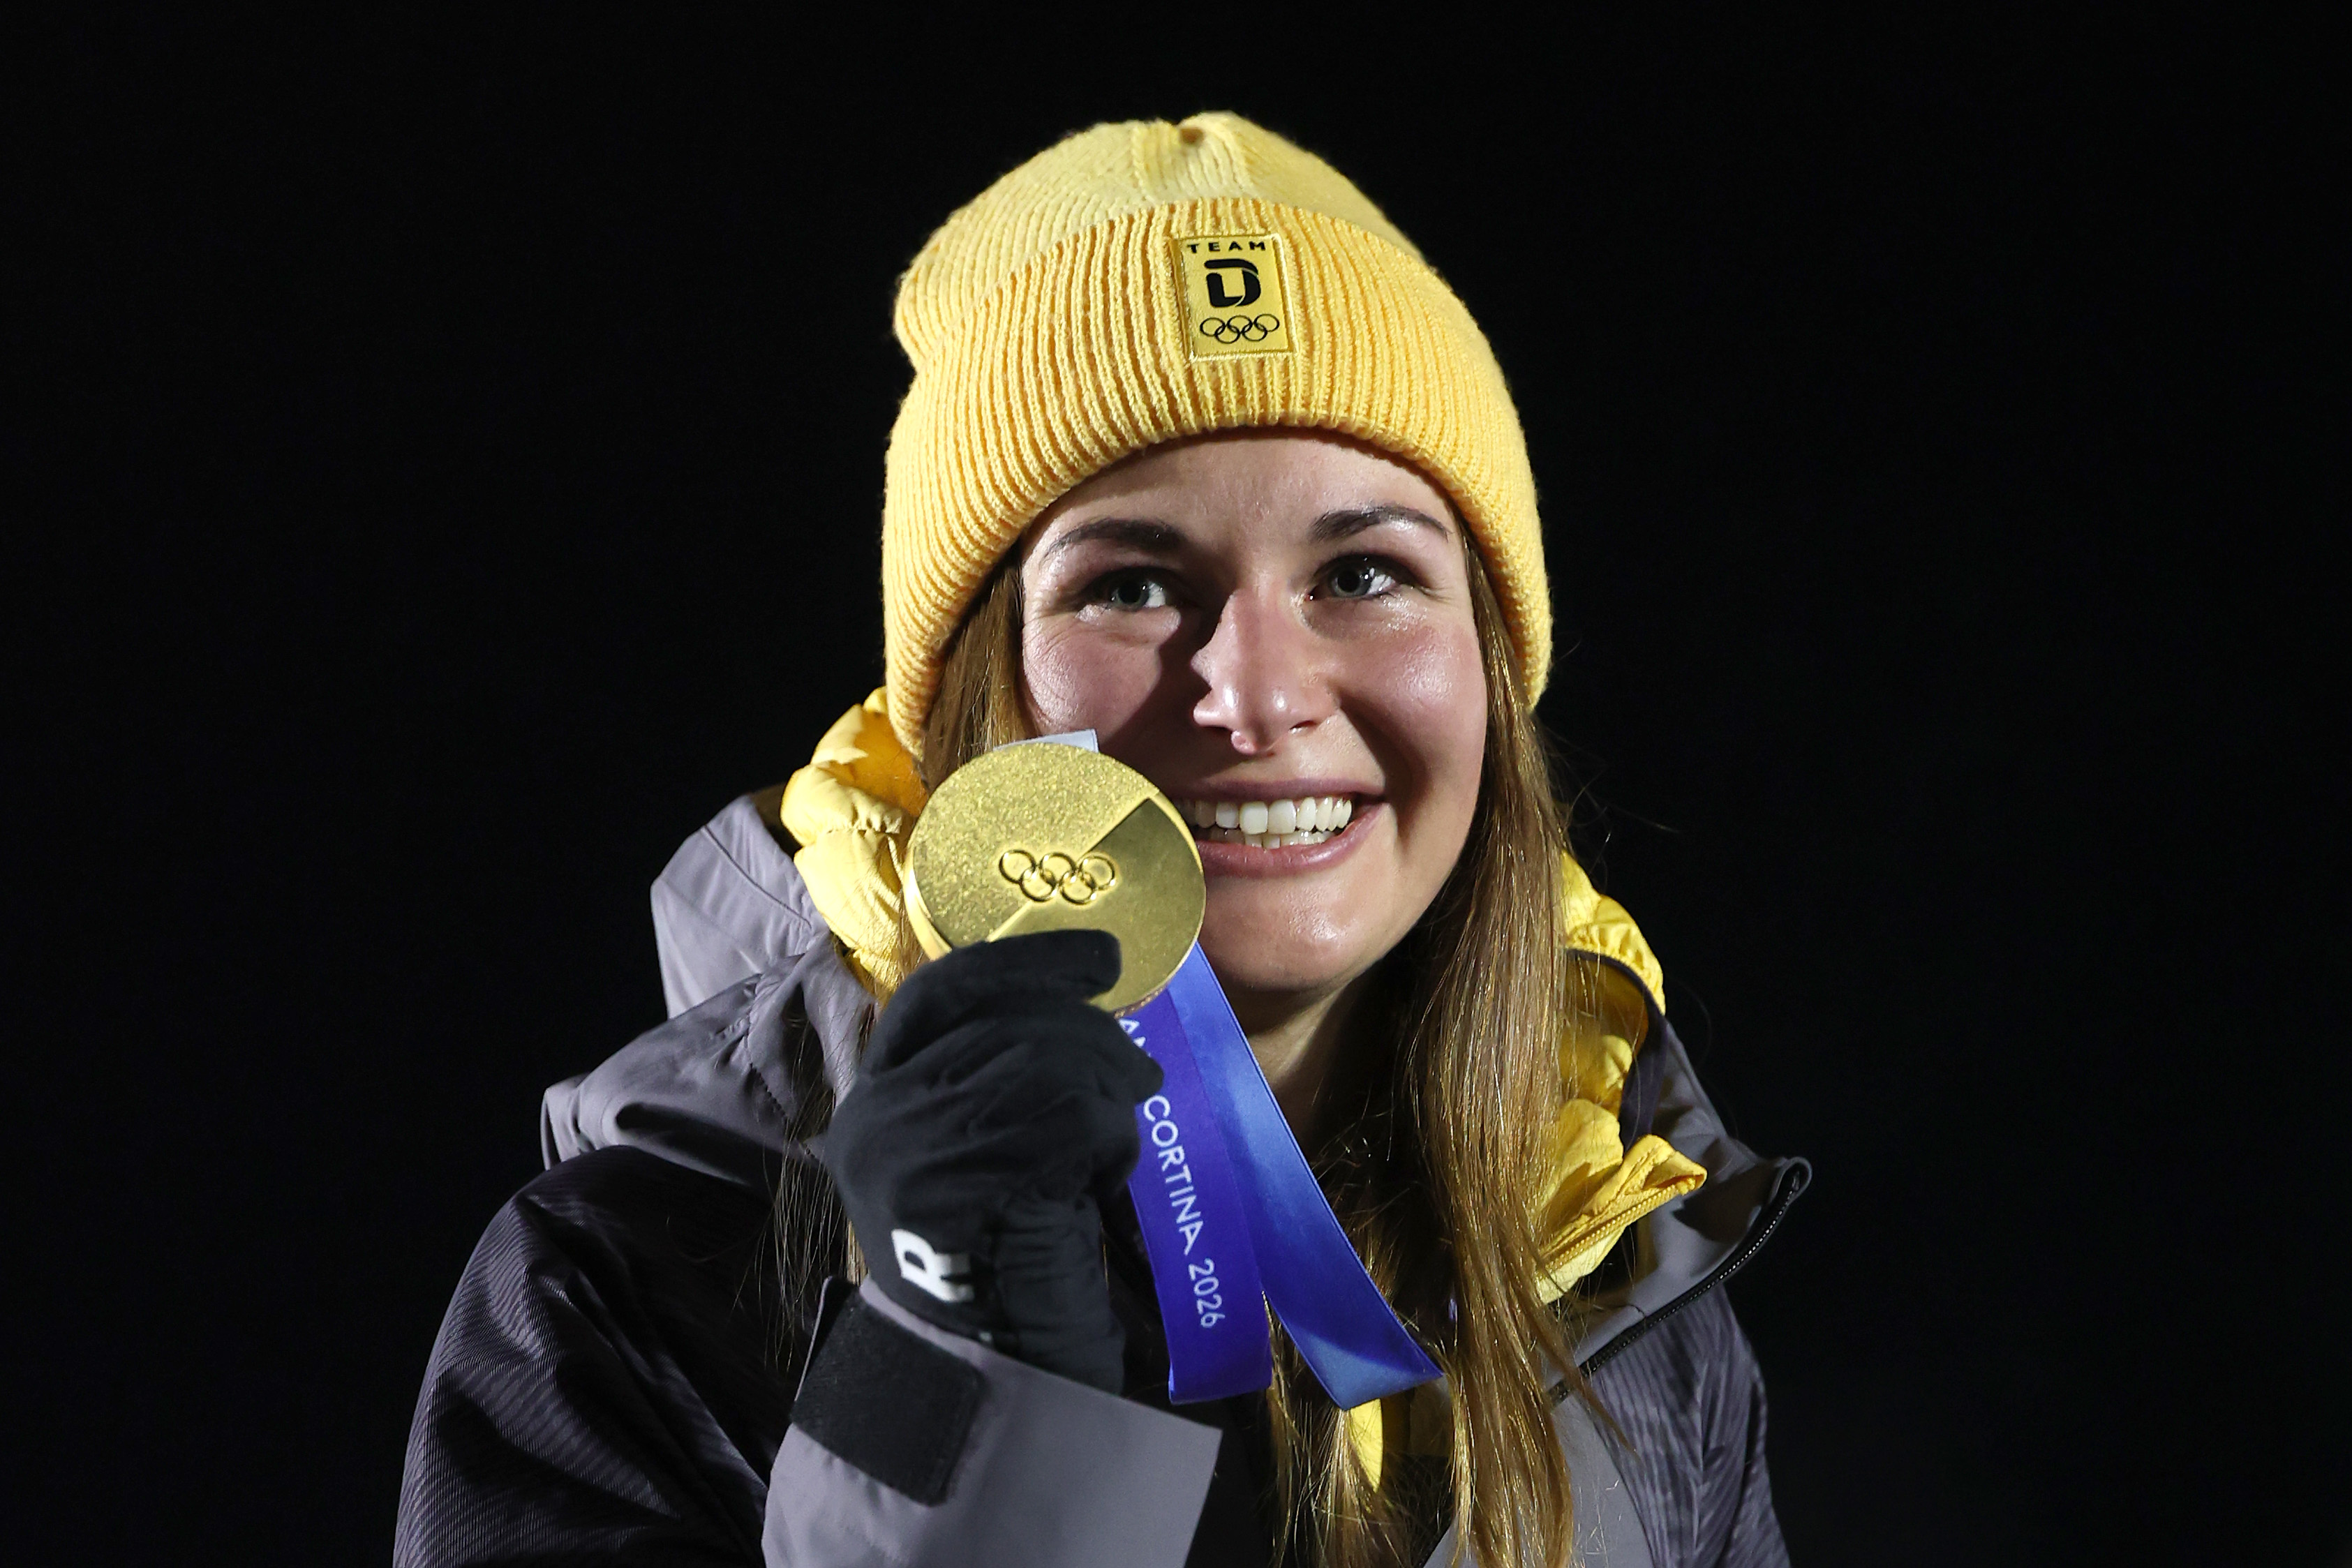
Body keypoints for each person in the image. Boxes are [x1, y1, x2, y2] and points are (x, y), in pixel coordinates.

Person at [395, 112, 1807, 1568]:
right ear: (961, 698)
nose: (1255, 695)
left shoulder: (1624, 1290)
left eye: (1365, 570)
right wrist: (957, 1382)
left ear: (1492, 673)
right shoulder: (631, 1284)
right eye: (1131, 586)